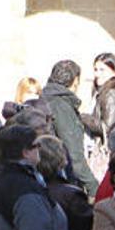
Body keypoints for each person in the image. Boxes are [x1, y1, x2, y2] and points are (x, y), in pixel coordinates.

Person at [43, 59, 99, 197]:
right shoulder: (60, 105)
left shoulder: (47, 99)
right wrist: (94, 188)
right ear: (75, 81)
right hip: (62, 179)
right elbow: (74, 154)